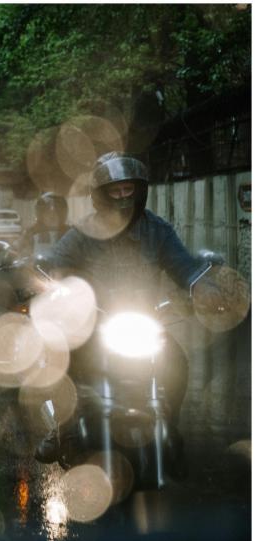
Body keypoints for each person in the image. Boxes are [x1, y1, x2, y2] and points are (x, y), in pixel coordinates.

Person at [34, 151, 227, 472]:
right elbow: (56, 262)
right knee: (61, 359)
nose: (124, 196)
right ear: (101, 195)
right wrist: (53, 285)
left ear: (140, 191)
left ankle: (170, 426)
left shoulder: (158, 231)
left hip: (143, 320)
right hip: (93, 321)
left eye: (129, 189)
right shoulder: (84, 233)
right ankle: (62, 430)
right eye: (116, 190)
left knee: (177, 363)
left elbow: (184, 266)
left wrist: (202, 286)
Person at [19, 191, 70, 257]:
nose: (52, 216)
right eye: (47, 211)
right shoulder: (31, 232)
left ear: (62, 213)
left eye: (57, 211)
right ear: (40, 213)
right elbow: (21, 253)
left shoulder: (69, 233)